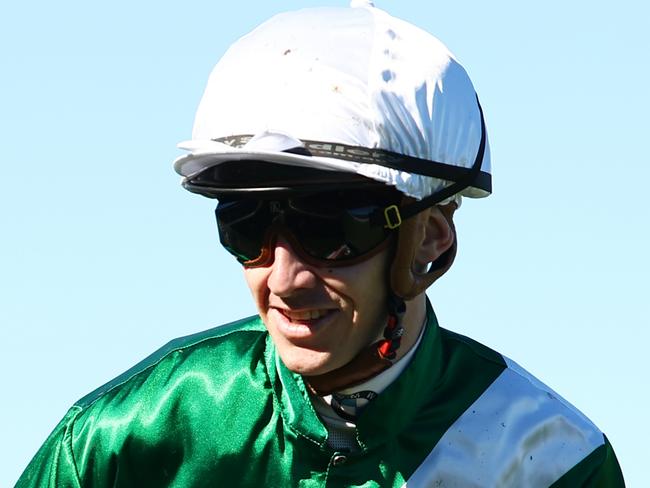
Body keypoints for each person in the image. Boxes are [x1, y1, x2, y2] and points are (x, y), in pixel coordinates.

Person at [17, 2, 624, 487]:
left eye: (329, 231)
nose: (283, 279)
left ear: (428, 241)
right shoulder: (124, 437)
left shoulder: (555, 465)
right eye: (246, 224)